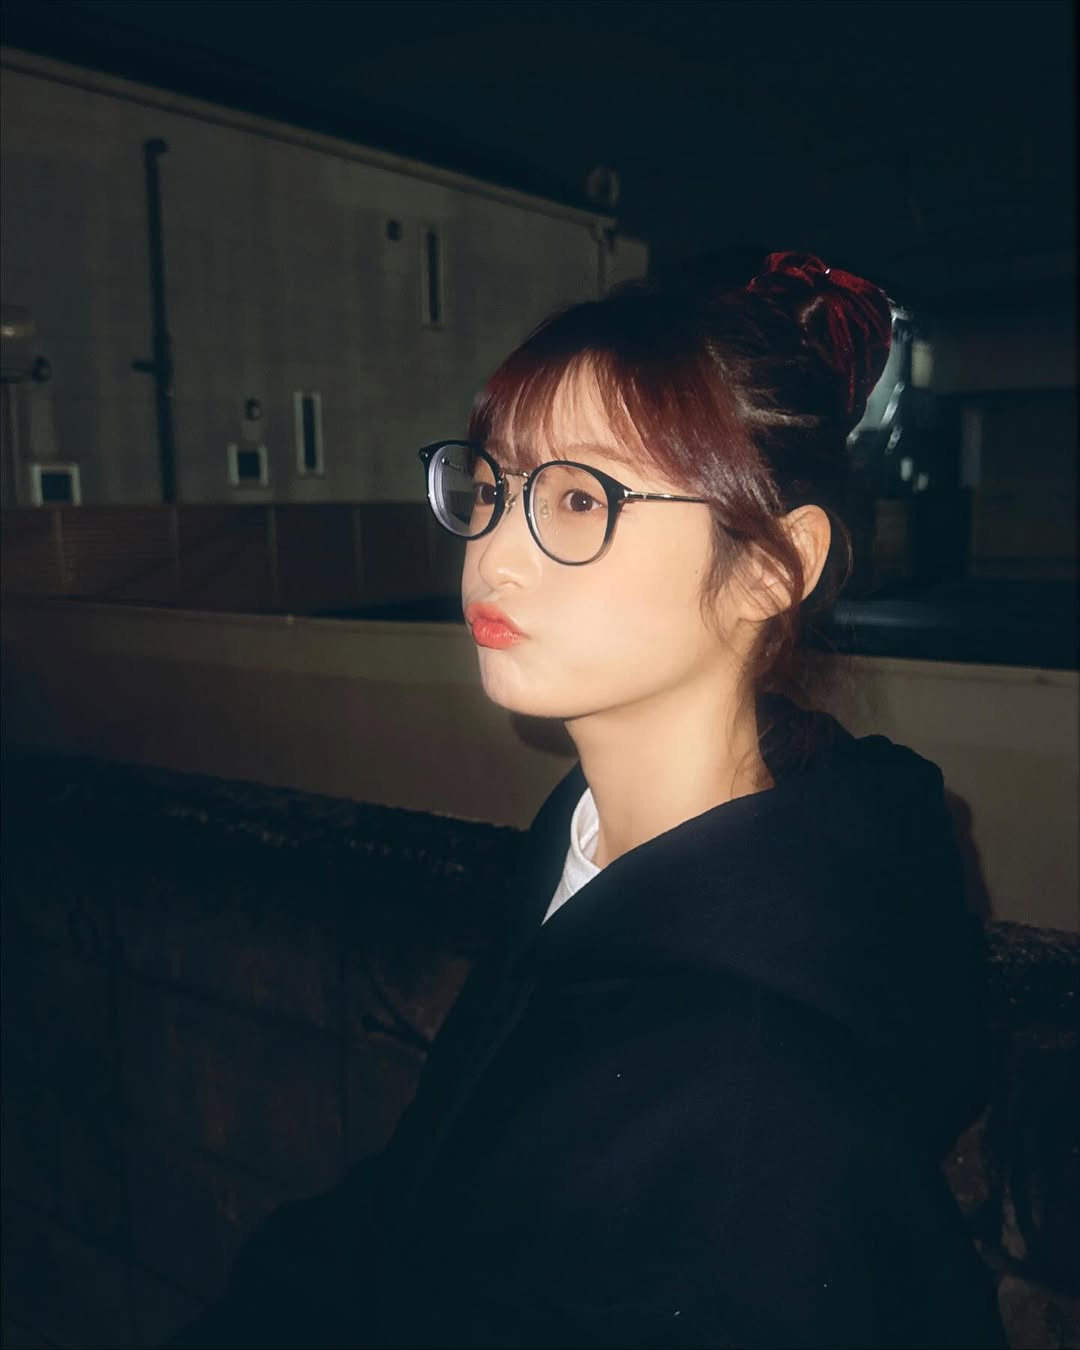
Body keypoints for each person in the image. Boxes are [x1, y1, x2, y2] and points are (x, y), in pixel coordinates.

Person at [167, 252, 1005, 1349]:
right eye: (493, 488)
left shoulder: (759, 1091)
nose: (494, 555)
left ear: (772, 568)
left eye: (577, 498)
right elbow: (418, 1203)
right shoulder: (586, 847)